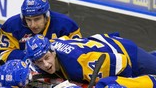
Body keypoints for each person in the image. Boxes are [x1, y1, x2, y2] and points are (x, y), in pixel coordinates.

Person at [25, 33, 156, 83]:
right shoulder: (49, 45)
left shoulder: (77, 63)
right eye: (40, 62)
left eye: (47, 58)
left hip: (126, 54)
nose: (46, 65)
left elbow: (121, 62)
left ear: (53, 52)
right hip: (103, 46)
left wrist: (130, 84)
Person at [0, 0, 81, 63]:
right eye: (28, 20)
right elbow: (2, 55)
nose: (32, 25)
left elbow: (78, 54)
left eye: (37, 19)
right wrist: (31, 55)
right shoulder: (11, 26)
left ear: (46, 16)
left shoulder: (67, 25)